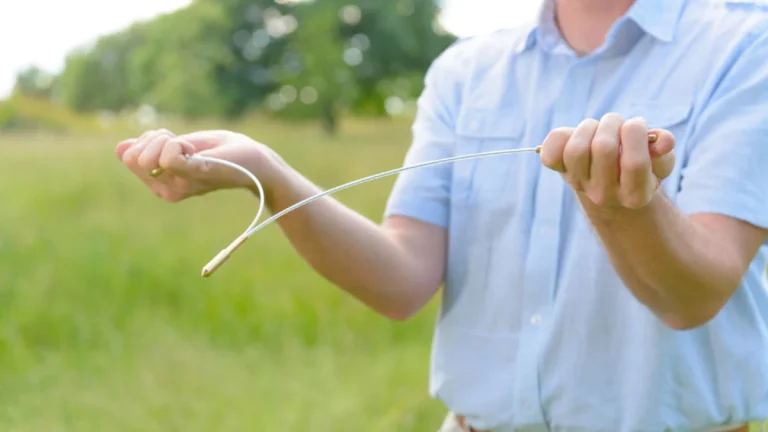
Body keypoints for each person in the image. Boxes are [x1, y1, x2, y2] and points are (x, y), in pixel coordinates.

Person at [116, 0, 768, 430]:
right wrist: (270, 174)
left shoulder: (748, 45)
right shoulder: (466, 70)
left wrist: (625, 210)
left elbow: (695, 293)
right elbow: (401, 280)